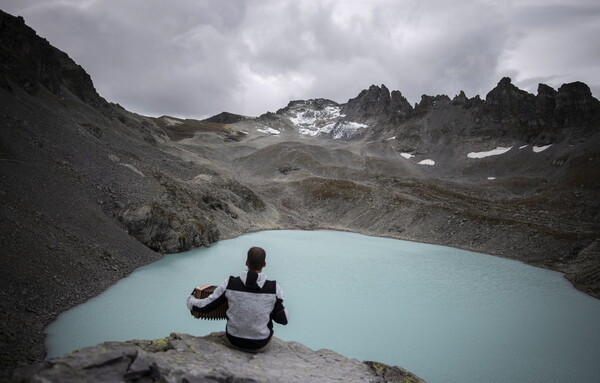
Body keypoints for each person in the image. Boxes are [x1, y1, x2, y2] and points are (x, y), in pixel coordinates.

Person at [186, 246, 288, 351]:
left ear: (246, 262)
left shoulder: (230, 284)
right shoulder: (274, 288)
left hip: (234, 341)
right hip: (261, 344)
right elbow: (283, 320)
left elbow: (206, 306)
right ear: (264, 264)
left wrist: (190, 300)